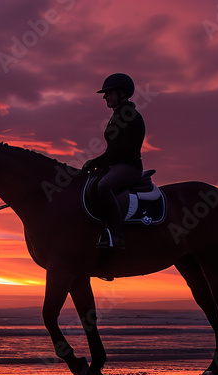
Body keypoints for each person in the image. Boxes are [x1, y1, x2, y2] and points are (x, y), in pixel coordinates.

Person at [82, 73, 145, 250]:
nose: (105, 96)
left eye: (109, 92)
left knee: (104, 186)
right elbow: (113, 151)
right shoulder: (117, 115)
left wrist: (97, 161)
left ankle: (117, 237)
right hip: (117, 164)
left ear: (122, 93)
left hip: (129, 166)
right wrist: (99, 163)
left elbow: (120, 151)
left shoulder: (129, 115)